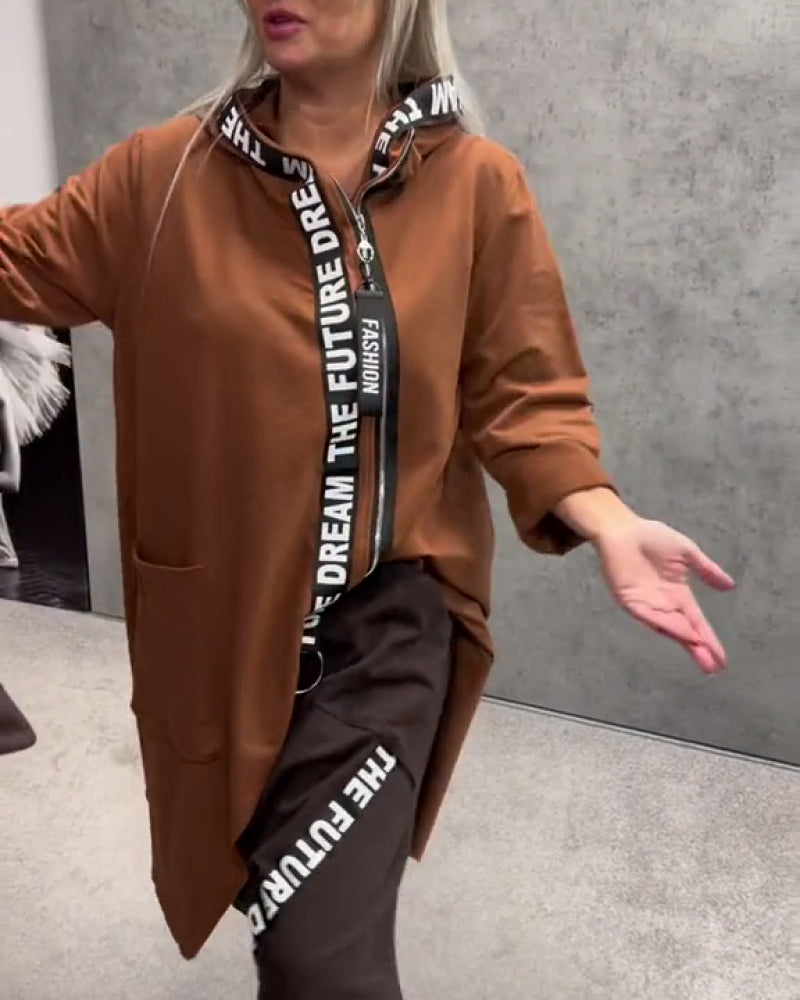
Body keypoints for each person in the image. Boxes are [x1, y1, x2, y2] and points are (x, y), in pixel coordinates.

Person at [0, 1, 735, 996]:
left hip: (386, 633)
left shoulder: (476, 188)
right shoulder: (161, 178)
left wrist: (605, 517)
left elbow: (525, 395)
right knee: (270, 898)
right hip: (220, 636)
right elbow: (16, 258)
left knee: (316, 958)